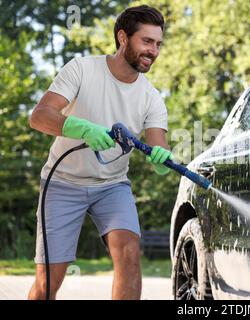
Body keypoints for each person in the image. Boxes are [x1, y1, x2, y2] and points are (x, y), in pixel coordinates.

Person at [27, 5, 172, 300]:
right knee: (50, 278)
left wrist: (163, 160)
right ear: (123, 38)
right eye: (146, 41)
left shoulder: (151, 97)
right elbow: (39, 116)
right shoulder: (82, 68)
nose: (153, 51)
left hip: (111, 186)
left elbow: (160, 147)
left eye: (158, 44)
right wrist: (80, 128)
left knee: (130, 255)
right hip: (62, 182)